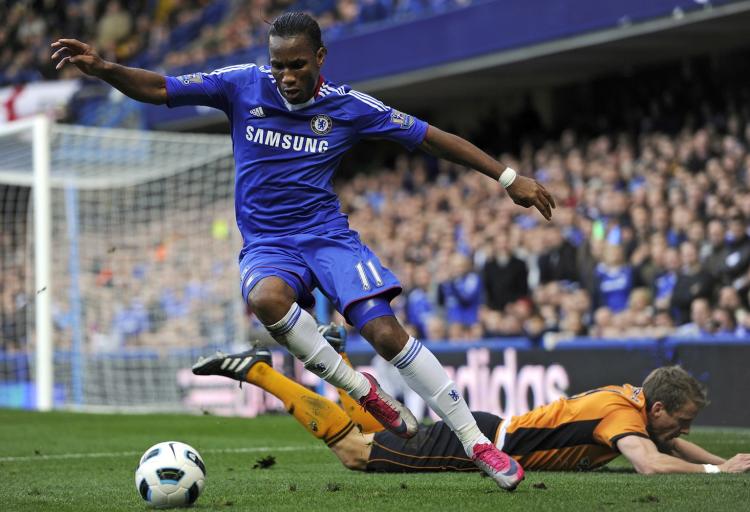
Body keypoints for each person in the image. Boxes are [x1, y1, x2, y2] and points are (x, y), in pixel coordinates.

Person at [52, 12, 555, 489]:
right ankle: (361, 391)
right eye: (278, 65)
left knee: (384, 332)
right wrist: (104, 69)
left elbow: (429, 137)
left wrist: (508, 177)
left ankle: (475, 443)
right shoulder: (242, 84)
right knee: (266, 299)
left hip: (327, 237)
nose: (286, 76)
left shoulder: (349, 106)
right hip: (269, 243)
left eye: (297, 65)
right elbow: (162, 88)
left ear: (320, 57)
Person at [193, 347, 750, 475]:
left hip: (487, 428)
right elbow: (650, 462)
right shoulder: (626, 422)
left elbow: (668, 444)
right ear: (657, 408)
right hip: (484, 446)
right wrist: (716, 471)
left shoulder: (630, 403)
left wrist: (722, 461)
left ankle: (335, 354)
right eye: (682, 420)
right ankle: (263, 373)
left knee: (379, 441)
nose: (683, 431)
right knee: (355, 455)